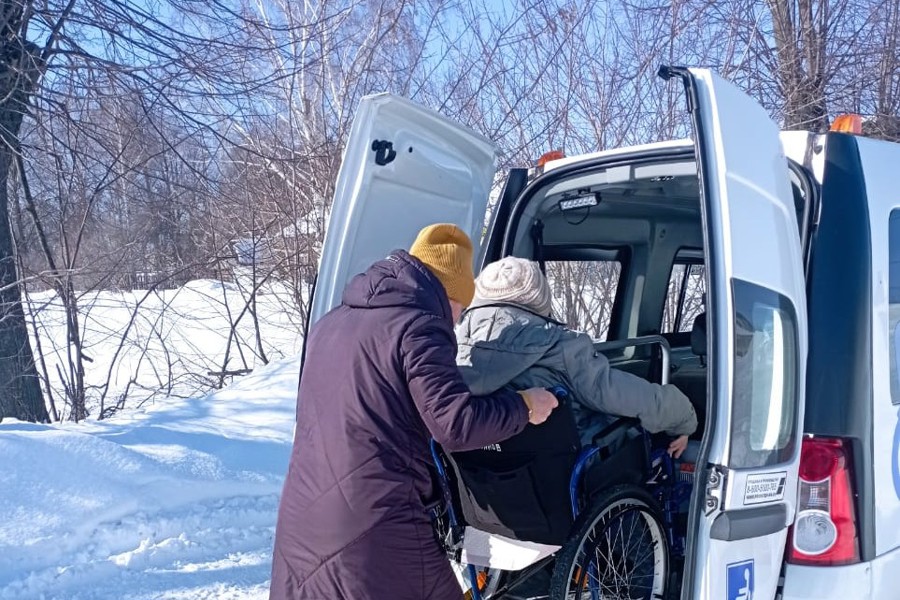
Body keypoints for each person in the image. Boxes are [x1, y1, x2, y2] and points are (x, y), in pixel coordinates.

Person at [269, 224, 559, 600]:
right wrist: (524, 406)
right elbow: (456, 424)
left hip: (302, 516)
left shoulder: (330, 322)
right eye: (460, 308)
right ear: (449, 292)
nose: (457, 320)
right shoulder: (421, 327)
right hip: (376, 520)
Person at [456, 256, 697, 458]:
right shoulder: (561, 348)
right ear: (537, 299)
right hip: (567, 472)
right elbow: (628, 396)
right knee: (635, 440)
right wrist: (684, 418)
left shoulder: (451, 349)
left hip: (485, 479)